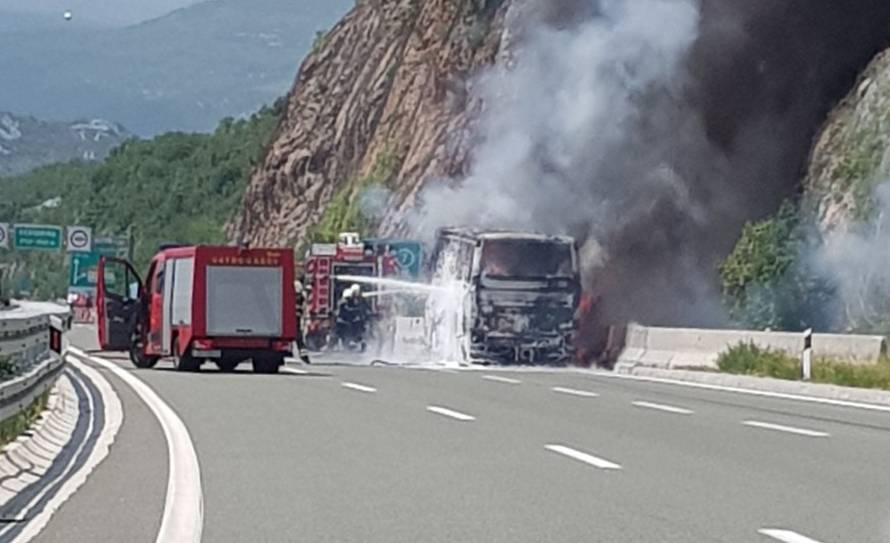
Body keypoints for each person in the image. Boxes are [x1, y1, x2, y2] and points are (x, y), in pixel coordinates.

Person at [332, 284, 370, 350]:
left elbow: (362, 308)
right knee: (338, 333)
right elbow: (343, 310)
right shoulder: (344, 303)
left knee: (358, 331)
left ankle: (357, 342)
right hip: (345, 321)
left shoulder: (359, 300)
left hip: (352, 321)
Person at [294, 279, 311, 364]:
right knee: (298, 337)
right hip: (296, 318)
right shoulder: (302, 297)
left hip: (295, 318)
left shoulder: (298, 297)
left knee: (298, 337)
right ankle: (303, 355)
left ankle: (303, 354)